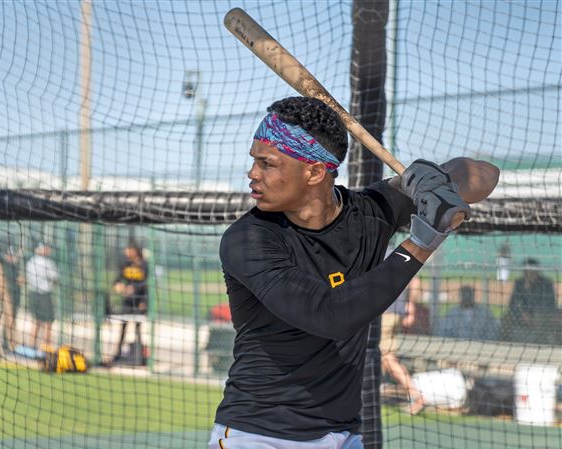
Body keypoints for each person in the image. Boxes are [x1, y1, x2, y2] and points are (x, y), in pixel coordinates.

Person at [208, 96, 498, 449]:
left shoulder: (369, 213)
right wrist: (421, 242)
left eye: (266, 163)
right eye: (254, 161)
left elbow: (485, 175)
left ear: (314, 172)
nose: (252, 173)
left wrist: (435, 180)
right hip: (260, 434)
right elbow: (330, 314)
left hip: (344, 434)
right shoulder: (249, 239)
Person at [380, 275, 424, 414]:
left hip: (386, 314)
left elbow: (415, 280)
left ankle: (416, 396)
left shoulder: (388, 252)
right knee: (383, 357)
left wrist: (410, 306)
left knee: (386, 358)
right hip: (383, 312)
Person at [499, 258, 558, 343]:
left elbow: (550, 303)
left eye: (533, 271)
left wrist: (533, 315)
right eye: (528, 271)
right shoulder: (519, 283)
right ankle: (504, 342)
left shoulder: (546, 283)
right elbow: (512, 303)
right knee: (506, 317)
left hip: (541, 314)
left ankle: (540, 343)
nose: (531, 273)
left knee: (541, 318)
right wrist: (522, 313)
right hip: (523, 314)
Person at [111, 240, 148, 363]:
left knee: (138, 330)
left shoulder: (144, 265)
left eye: (128, 249)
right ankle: (117, 353)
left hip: (139, 302)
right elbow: (116, 281)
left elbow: (147, 284)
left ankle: (139, 357)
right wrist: (119, 286)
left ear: (134, 251)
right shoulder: (125, 264)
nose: (126, 252)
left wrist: (143, 299)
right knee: (123, 328)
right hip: (127, 302)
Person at [25, 242, 59, 349]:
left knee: (36, 321)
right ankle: (46, 348)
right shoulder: (48, 262)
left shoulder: (30, 261)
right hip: (44, 295)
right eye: (46, 248)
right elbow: (55, 278)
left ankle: (31, 347)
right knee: (47, 323)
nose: (48, 250)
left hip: (33, 294)